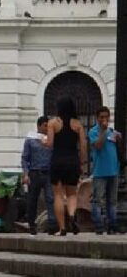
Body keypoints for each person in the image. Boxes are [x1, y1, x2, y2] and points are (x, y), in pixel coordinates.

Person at [43, 96, 88, 236]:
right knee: (72, 194)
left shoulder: (53, 123)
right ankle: (72, 215)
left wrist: (42, 141)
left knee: (57, 194)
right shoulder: (78, 125)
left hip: (57, 161)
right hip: (72, 161)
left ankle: (62, 227)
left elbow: (50, 144)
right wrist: (82, 161)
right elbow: (83, 146)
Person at [89, 106, 121, 235]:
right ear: (97, 118)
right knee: (98, 200)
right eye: (101, 117)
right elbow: (98, 145)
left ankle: (112, 224)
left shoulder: (112, 131)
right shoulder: (93, 131)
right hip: (100, 171)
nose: (104, 119)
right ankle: (98, 225)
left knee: (112, 200)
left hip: (113, 170)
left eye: (106, 117)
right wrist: (103, 131)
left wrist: (118, 139)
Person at [22, 116, 55, 235]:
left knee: (50, 198)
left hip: (48, 172)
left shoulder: (51, 139)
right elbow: (25, 158)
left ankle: (52, 223)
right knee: (32, 199)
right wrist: (25, 174)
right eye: (45, 125)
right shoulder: (31, 140)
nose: (47, 128)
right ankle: (32, 224)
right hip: (34, 173)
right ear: (39, 126)